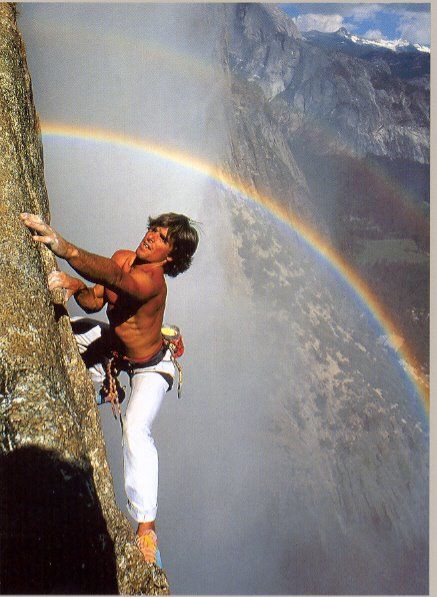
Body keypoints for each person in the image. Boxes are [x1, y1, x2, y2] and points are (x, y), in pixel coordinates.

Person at [20, 211, 199, 566]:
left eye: (162, 237)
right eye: (152, 228)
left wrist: (64, 247)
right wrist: (77, 288)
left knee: (135, 427)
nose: (150, 236)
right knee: (62, 328)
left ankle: (146, 528)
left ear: (170, 257)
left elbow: (117, 279)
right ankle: (103, 384)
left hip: (151, 366)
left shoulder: (152, 283)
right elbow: (97, 299)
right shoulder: (122, 257)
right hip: (117, 349)